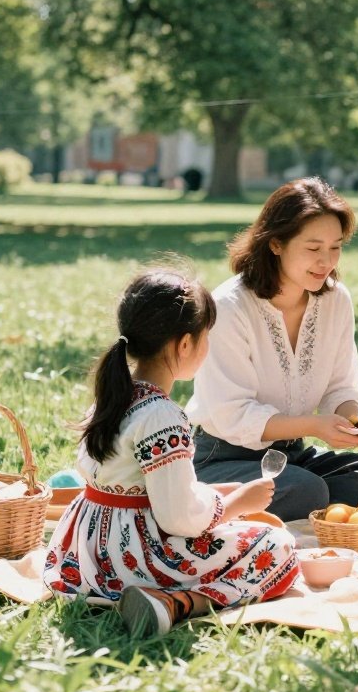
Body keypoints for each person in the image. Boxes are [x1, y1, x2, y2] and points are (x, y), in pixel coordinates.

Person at [44, 268, 299, 637]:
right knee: (275, 546)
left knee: (243, 532)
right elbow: (179, 518)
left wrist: (217, 494)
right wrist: (237, 503)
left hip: (86, 553)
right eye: (206, 337)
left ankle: (156, 596)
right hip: (134, 557)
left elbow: (136, 485)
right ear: (184, 345)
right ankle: (174, 602)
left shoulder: (115, 394)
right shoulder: (163, 416)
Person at [186, 178, 358, 521]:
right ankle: (215, 499)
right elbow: (232, 415)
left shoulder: (336, 300)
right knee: (306, 489)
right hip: (224, 457)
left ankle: (299, 504)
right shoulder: (229, 306)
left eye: (336, 247)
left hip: (293, 458)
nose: (326, 261)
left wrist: (356, 420)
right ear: (276, 243)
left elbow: (341, 387)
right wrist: (315, 426)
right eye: (313, 248)